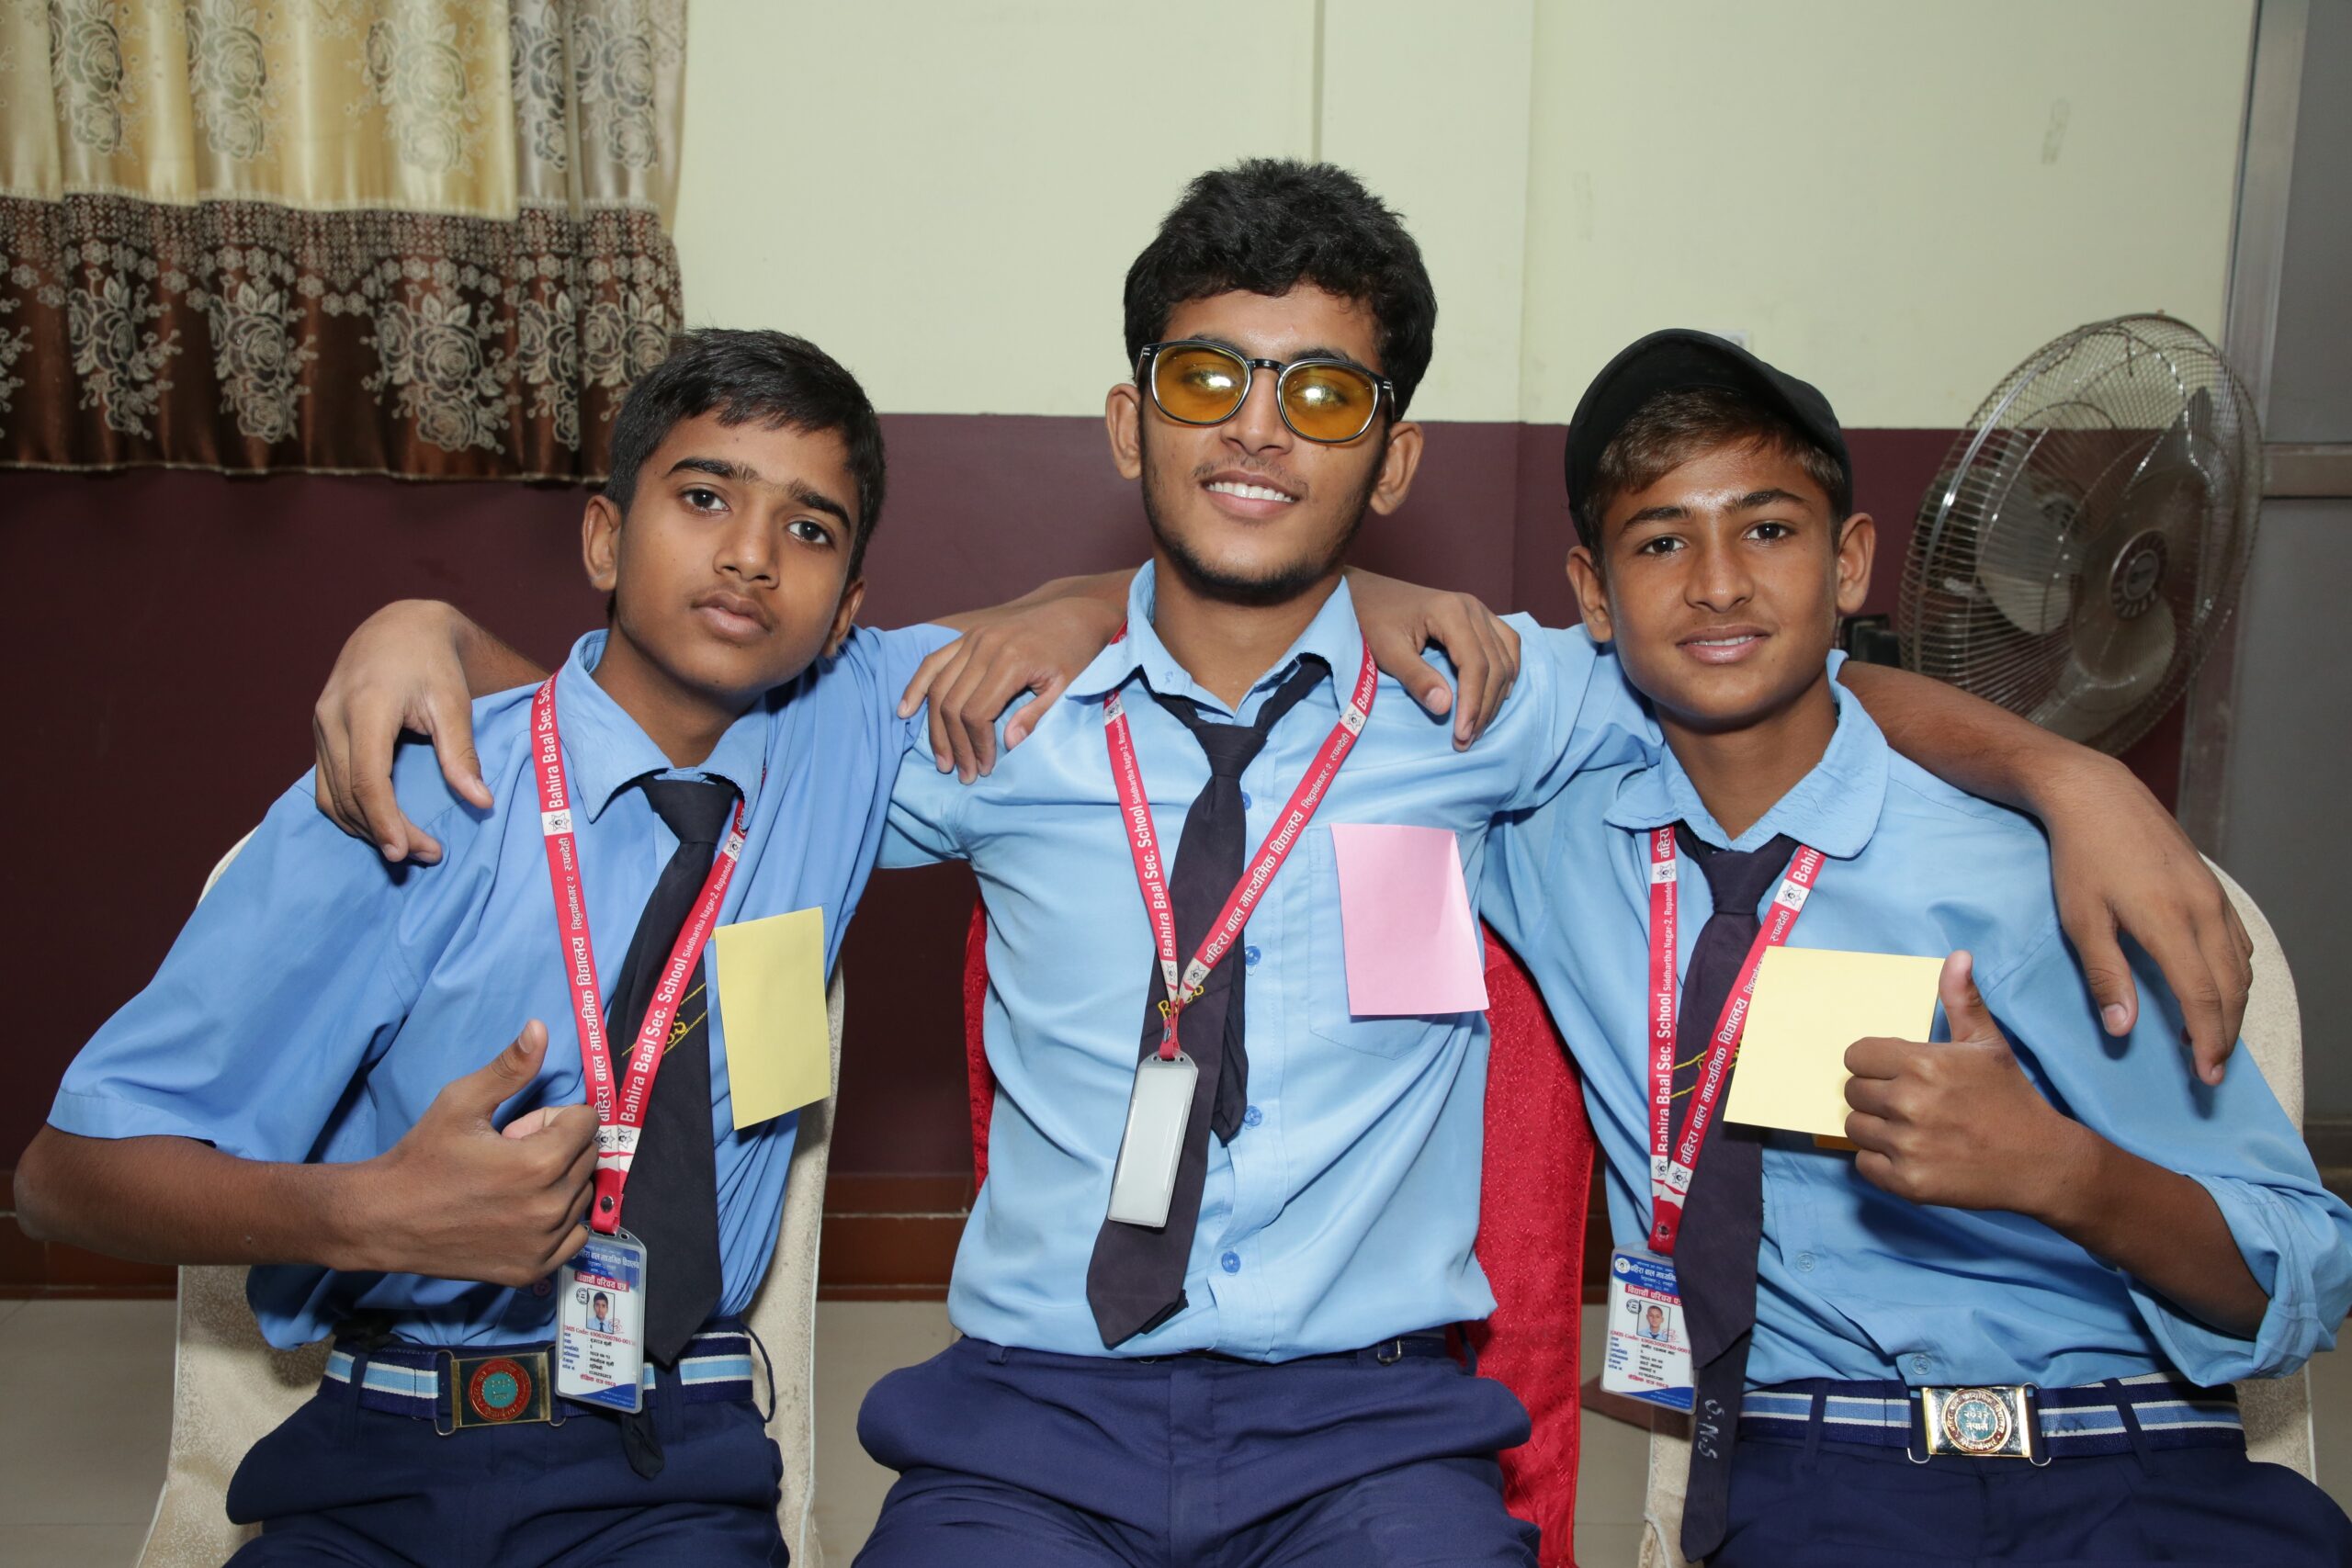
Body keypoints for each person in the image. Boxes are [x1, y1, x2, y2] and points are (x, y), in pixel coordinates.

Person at [302, 163, 2254, 1564]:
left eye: (1320, 394)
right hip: (1029, 1419)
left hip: (1375, 1429)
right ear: (1126, 415)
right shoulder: (976, 703)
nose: (1257, 427)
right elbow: (666, 684)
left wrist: (2061, 774)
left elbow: (1761, 682)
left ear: (1387, 457)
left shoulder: (1492, 697)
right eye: (1207, 376)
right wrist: (433, 631)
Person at [12, 327, 1287, 1567]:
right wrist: (372, 1215)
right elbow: (62, 1179)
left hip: (676, 1456)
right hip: (385, 1443)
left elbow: (1166, 602)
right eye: (702, 497)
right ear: (606, 536)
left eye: (809, 530)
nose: (749, 557)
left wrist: (1379, 596)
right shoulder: (405, 803)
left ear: (848, 612)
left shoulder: (842, 732)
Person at [1482, 330, 2352, 1565]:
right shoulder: (1550, 835)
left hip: (2127, 1455)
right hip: (1821, 1469)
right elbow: (1328, 658)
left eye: (1769, 530)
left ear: (1849, 563)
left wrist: (2063, 1173)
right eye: (1663, 540)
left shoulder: (2029, 876)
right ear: (1591, 592)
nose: (1719, 581)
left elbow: (2304, 1276)